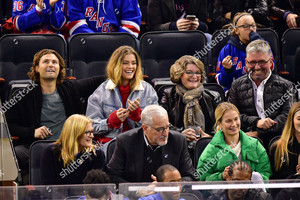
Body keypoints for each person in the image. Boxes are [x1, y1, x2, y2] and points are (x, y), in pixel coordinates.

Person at [6, 49, 105, 185]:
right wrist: (32, 132)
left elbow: (99, 80)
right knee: (12, 154)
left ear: (60, 68)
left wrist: (123, 74)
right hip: (34, 145)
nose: (51, 65)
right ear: (36, 68)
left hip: (70, 144)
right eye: (45, 61)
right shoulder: (23, 95)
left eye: (55, 62)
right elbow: (8, 125)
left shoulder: (70, 88)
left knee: (97, 151)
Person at [227, 39, 296, 146]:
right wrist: (256, 122)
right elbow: (231, 115)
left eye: (262, 62)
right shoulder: (236, 85)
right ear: (246, 62)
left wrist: (259, 133)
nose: (257, 67)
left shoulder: (286, 86)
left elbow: (288, 118)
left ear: (270, 62)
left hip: (279, 141)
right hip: (245, 140)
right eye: (253, 62)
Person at [86, 46, 158, 144]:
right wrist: (110, 122)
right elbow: (90, 127)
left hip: (139, 143)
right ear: (115, 65)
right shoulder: (101, 91)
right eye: (125, 63)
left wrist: (139, 117)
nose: (130, 67)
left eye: (134, 63)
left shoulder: (147, 90)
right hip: (111, 143)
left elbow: (157, 126)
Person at [106, 105, 194, 183]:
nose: (165, 133)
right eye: (159, 129)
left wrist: (168, 185)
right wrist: (138, 191)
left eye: (167, 127)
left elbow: (190, 176)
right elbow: (112, 176)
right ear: (145, 128)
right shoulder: (126, 141)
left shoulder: (178, 141)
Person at [197, 102, 272, 181]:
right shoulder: (211, 150)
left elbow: (266, 174)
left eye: (236, 119)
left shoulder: (255, 145)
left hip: (253, 192)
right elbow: (202, 181)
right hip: (223, 193)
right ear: (219, 124)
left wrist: (250, 178)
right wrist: (221, 176)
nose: (234, 124)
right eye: (228, 121)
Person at [160, 55, 221, 147]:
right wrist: (180, 133)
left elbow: (223, 124)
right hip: (177, 146)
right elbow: (161, 123)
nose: (194, 76)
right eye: (189, 72)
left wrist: (209, 137)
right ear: (179, 74)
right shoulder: (169, 95)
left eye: (198, 73)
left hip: (208, 147)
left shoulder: (213, 96)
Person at [40, 114, 105, 184]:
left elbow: (99, 188)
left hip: (86, 195)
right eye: (87, 132)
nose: (92, 136)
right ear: (75, 133)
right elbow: (49, 187)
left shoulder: (96, 154)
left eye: (92, 132)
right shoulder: (51, 153)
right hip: (59, 195)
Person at [216, 12, 272, 93]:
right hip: (236, 93)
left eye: (253, 25)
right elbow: (223, 83)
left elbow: (271, 71)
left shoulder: (264, 46)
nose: (251, 29)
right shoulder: (227, 50)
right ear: (236, 30)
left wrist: (259, 44)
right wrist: (227, 70)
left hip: (262, 90)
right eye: (246, 26)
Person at [68, 0, 141, 38]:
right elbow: (76, 24)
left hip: (118, 44)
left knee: (134, 45)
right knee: (73, 42)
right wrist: (96, 40)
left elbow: (132, 24)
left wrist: (115, 41)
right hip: (87, 43)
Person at [207, 161, 273, 200]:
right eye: (237, 182)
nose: (241, 187)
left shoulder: (262, 198)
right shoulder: (216, 198)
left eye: (245, 183)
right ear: (228, 178)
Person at [269, 102, 300, 179]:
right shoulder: (278, 148)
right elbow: (274, 180)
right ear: (291, 120)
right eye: (299, 119)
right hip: (286, 190)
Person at [207, 0, 272, 33]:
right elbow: (216, 18)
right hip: (231, 28)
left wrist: (237, 15)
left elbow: (263, 11)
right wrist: (236, 24)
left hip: (256, 27)